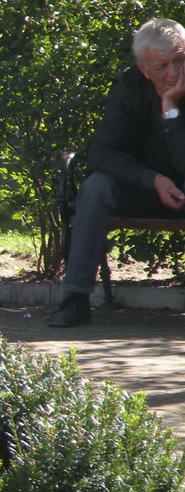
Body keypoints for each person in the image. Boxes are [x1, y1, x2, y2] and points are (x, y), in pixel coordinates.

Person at [51, 18, 185, 327]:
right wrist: (152, 179)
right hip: (145, 188)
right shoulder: (130, 86)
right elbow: (102, 154)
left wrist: (170, 108)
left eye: (180, 60)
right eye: (162, 66)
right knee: (96, 187)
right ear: (144, 70)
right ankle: (75, 299)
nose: (174, 73)